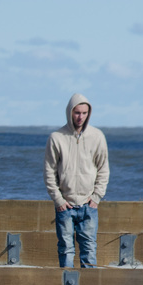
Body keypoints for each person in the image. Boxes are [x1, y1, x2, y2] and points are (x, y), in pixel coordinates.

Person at [43, 93, 110, 268]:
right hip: (65, 205)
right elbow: (49, 172)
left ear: (89, 113)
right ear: (70, 112)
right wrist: (58, 200)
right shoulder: (56, 138)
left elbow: (103, 169)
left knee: (89, 250)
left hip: (89, 205)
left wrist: (96, 197)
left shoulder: (97, 137)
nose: (80, 117)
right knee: (65, 249)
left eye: (84, 113)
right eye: (77, 112)